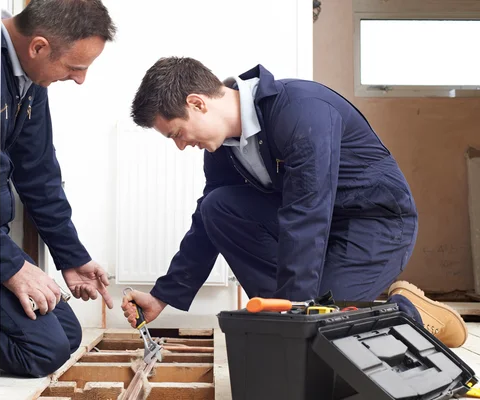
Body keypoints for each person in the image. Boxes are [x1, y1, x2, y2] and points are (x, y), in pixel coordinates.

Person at [121, 57, 468, 348]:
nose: (181, 145)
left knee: (323, 330)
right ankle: (293, 318)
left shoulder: (300, 110)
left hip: (374, 224)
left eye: (177, 134)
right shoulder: (223, 152)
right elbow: (205, 227)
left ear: (197, 103)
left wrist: (296, 318)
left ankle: (411, 311)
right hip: (318, 224)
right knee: (217, 207)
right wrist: (162, 296)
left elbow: (307, 212)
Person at [0, 0, 116, 377]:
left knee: (66, 334)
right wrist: (10, 265)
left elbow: (39, 175)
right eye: (75, 67)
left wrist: (72, 258)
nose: (80, 79)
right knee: (42, 352)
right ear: (38, 47)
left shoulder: (30, 79)